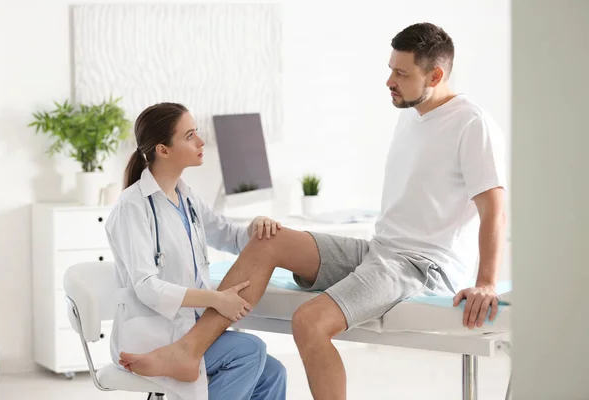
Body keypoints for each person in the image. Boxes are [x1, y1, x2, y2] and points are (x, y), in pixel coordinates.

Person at [118, 22, 508, 400]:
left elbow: (493, 207)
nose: (389, 81)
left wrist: (486, 281)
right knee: (268, 241)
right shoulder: (410, 116)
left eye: (401, 74)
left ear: (435, 75)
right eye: (390, 69)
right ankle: (189, 351)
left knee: (309, 321)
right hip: (380, 250)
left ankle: (188, 350)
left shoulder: (471, 124)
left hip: (421, 266)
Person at [104, 102, 287, 400]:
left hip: (189, 329)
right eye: (190, 136)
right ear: (163, 149)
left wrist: (256, 226)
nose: (201, 142)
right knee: (250, 351)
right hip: (152, 336)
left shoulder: (186, 197)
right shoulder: (132, 207)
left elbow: (229, 236)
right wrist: (216, 299)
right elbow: (147, 287)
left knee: (273, 373)